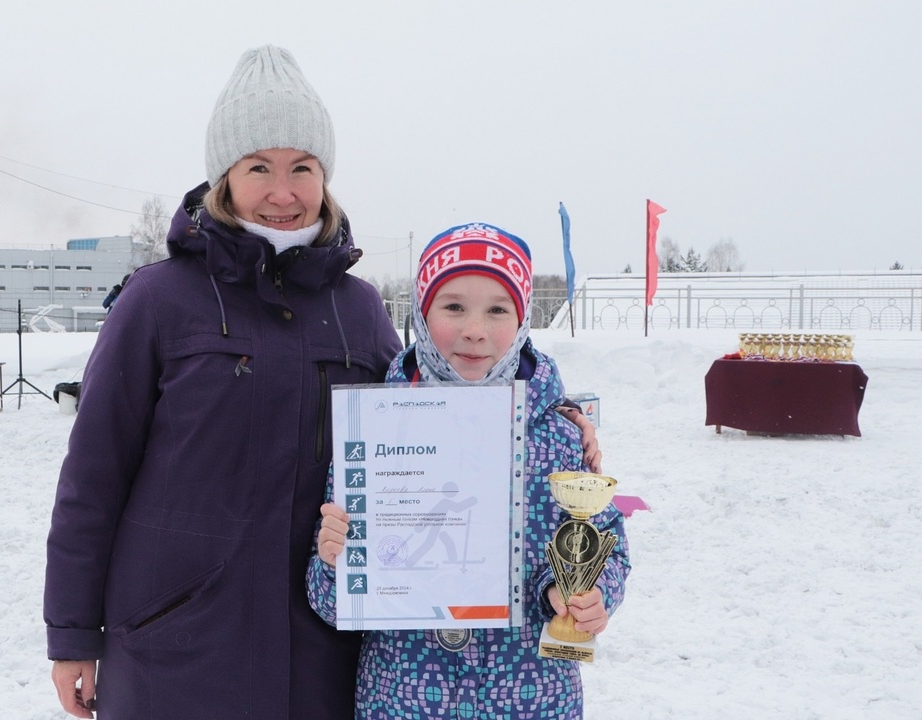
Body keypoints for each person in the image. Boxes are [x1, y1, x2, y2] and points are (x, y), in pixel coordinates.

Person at [43, 45, 403, 719]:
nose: (283, 191)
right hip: (173, 649)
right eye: (259, 167)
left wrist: (551, 426)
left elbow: (430, 418)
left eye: (302, 168)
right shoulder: (156, 302)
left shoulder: (358, 307)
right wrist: (71, 635)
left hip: (317, 651)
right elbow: (93, 477)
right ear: (224, 177)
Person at [306, 222, 630, 719]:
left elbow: (604, 543)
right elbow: (332, 606)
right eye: (453, 306)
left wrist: (582, 594)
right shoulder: (373, 432)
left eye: (497, 310)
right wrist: (335, 562)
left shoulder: (560, 437)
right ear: (421, 313)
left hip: (531, 699)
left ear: (522, 322)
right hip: (403, 698)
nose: (474, 330)